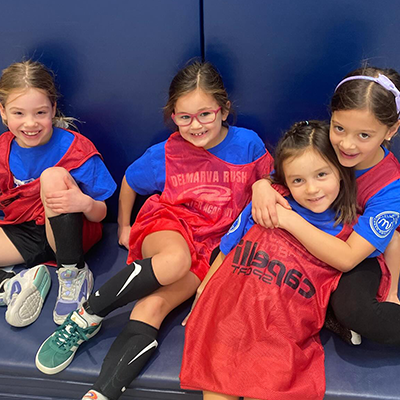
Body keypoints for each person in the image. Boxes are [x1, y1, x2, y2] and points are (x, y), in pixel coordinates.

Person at [35, 60, 273, 400]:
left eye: (205, 114)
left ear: (224, 110)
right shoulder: (168, 152)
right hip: (168, 225)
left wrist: (264, 185)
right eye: (184, 117)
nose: (195, 125)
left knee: (151, 308)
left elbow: (272, 182)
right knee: (175, 260)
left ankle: (99, 394)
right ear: (173, 115)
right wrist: (124, 225)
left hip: (212, 248)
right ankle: (86, 315)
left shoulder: (247, 145)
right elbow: (131, 180)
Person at [180, 120, 357, 400]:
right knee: (216, 386)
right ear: (285, 180)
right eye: (298, 180)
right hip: (231, 313)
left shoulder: (350, 230)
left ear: (340, 171)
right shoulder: (269, 200)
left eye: (322, 174)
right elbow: (228, 245)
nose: (311, 189)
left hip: (280, 331)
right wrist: (205, 290)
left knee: (266, 386)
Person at [252, 66, 400, 345]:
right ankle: (325, 311)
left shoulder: (390, 186)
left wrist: (288, 220)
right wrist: (261, 185)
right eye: (339, 127)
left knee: (356, 309)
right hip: (313, 241)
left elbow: (348, 258)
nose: (346, 144)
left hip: (357, 253)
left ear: (391, 130)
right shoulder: (323, 143)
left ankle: (336, 311)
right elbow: (286, 171)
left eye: (364, 136)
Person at [0, 60, 116, 327]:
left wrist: (84, 203)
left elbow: (101, 213)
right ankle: (16, 284)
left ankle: (73, 274)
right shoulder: (3, 148)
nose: (30, 123)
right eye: (18, 113)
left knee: (52, 176)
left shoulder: (74, 148)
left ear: (53, 109)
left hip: (69, 233)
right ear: (3, 112)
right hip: (24, 231)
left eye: (40, 112)